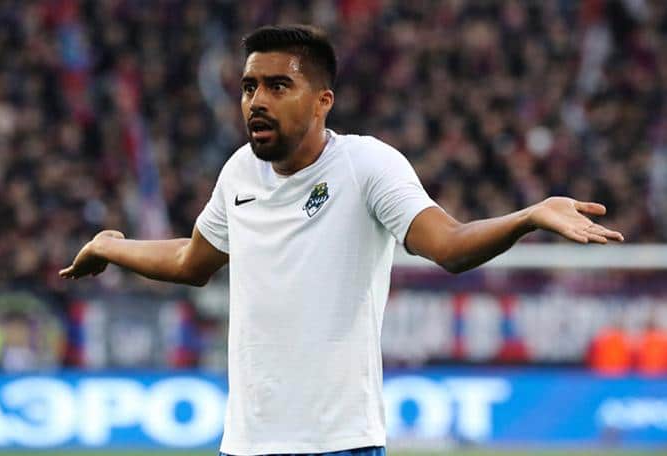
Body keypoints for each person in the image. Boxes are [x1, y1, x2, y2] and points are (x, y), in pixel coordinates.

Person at [60, 25, 624, 456]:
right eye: (250, 87)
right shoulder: (238, 173)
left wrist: (528, 216)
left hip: (339, 444)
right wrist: (111, 247)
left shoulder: (366, 165)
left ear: (322, 101)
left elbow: (449, 245)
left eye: (278, 85)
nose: (257, 100)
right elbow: (191, 260)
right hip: (247, 444)